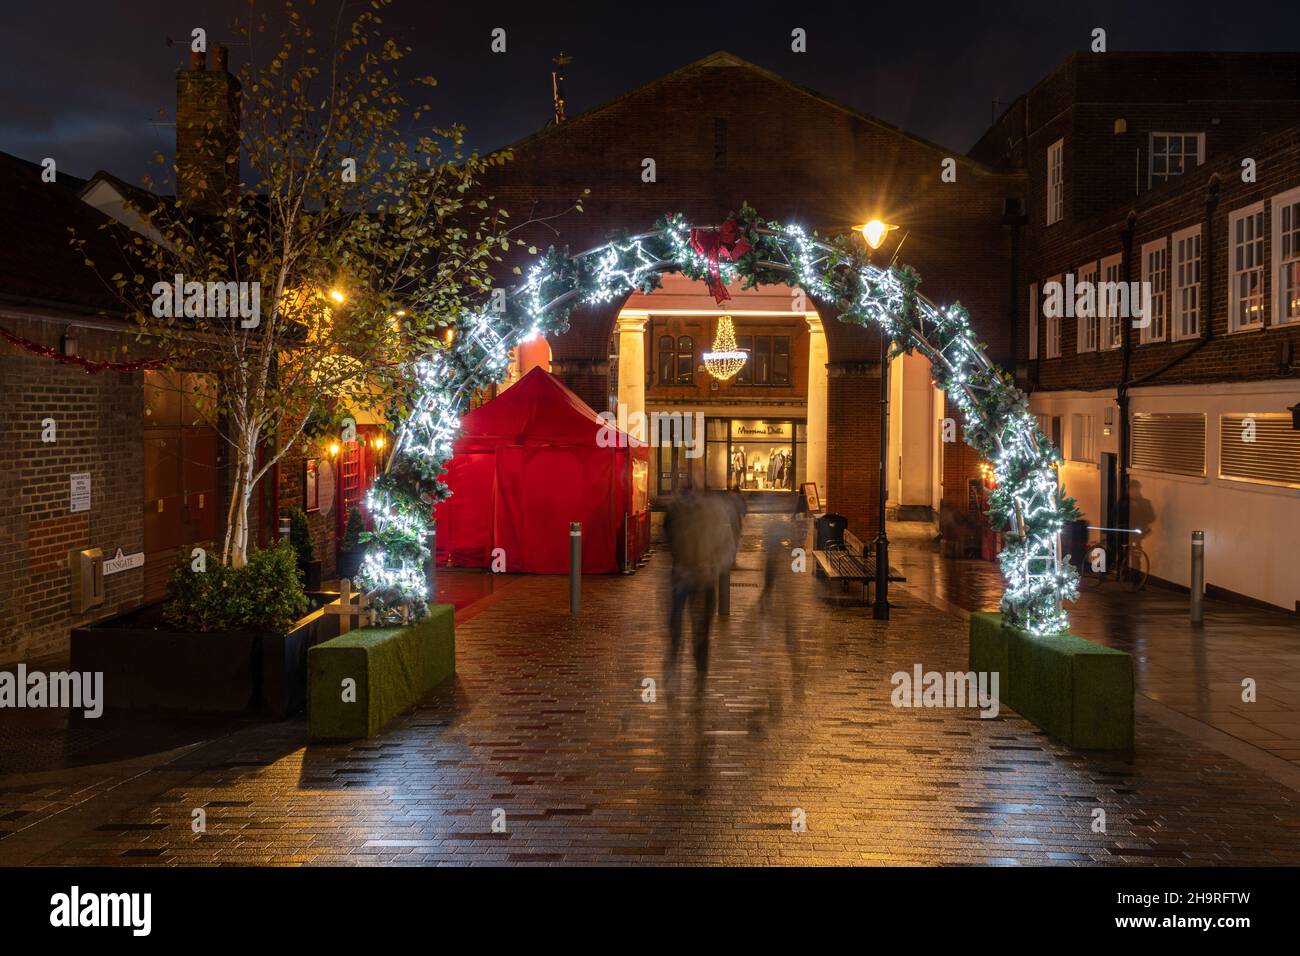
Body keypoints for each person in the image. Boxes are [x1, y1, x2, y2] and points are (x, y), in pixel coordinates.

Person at [663, 485, 735, 691]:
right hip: (681, 576)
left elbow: (727, 545)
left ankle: (700, 672)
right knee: (676, 626)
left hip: (703, 579)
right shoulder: (677, 508)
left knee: (700, 630)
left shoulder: (715, 511)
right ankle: (675, 667)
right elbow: (668, 536)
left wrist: (713, 566)